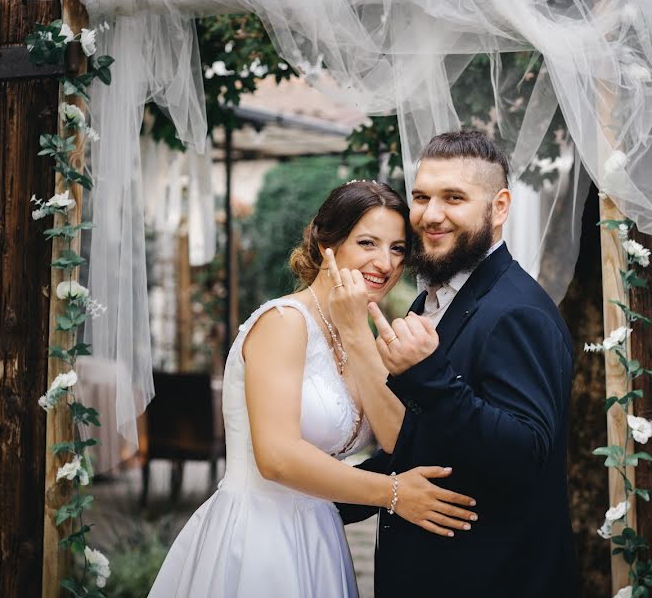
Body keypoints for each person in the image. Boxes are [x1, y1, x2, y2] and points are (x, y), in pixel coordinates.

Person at [148, 180, 477, 598]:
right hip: (259, 538)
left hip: (321, 537)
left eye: (397, 249)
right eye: (368, 243)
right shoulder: (284, 322)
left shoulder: (359, 333)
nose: (385, 262)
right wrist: (392, 493)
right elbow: (277, 458)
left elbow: (397, 438)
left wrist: (357, 331)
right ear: (327, 243)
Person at [334, 131, 579, 597]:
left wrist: (427, 374)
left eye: (454, 198)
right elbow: (425, 447)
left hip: (494, 580)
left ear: (499, 207)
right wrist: (325, 500)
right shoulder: (434, 302)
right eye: (422, 197)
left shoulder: (517, 311)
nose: (430, 214)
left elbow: (524, 453)